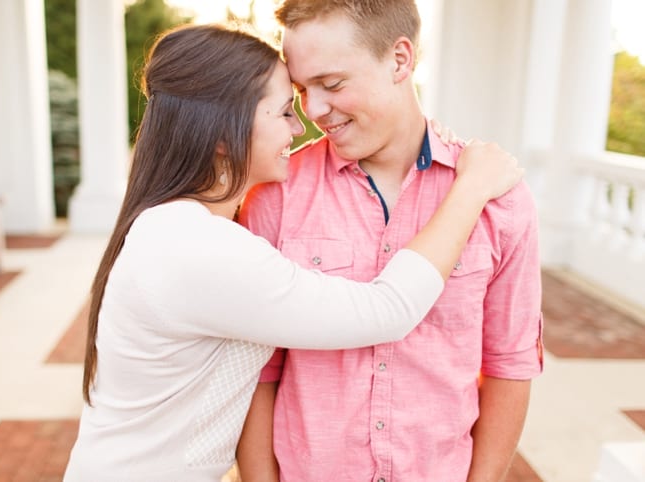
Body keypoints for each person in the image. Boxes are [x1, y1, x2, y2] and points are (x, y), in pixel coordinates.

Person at [62, 23, 523, 482]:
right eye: (285, 109)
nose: (303, 124)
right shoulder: (198, 247)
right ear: (225, 133)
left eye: (329, 85)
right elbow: (387, 309)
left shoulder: (177, 229)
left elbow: (510, 360)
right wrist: (472, 188)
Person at [236, 1, 544, 481]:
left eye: (332, 84)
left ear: (400, 59)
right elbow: (257, 373)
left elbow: (510, 364)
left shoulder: (500, 199)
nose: (313, 110)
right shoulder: (275, 196)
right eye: (301, 89)